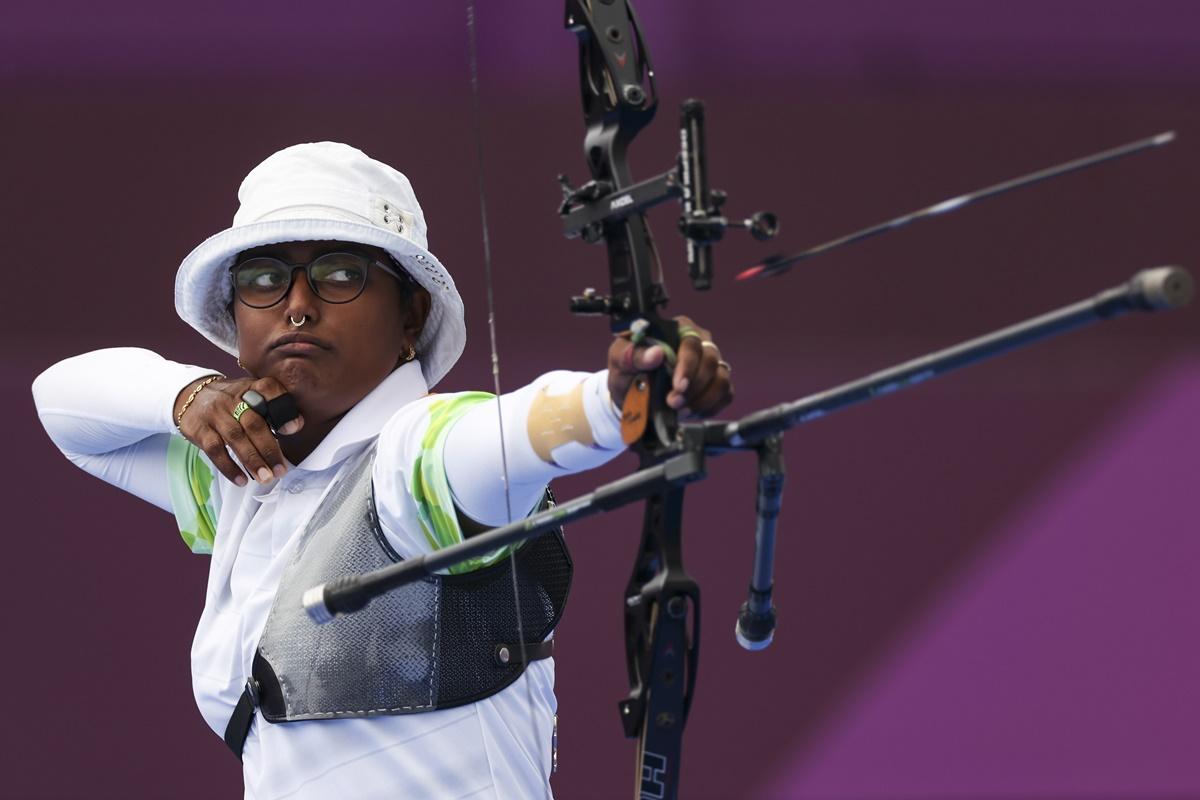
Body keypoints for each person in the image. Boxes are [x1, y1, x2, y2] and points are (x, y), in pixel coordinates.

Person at [31, 141, 732, 799]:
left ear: (409, 317)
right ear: (236, 316)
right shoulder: (243, 476)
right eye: (265, 279)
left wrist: (621, 397)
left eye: (341, 274)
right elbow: (63, 404)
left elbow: (509, 433)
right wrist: (184, 395)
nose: (297, 306)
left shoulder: (416, 456)